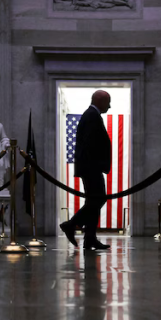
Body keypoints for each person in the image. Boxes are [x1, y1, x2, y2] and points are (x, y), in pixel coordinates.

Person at [60, 90, 112, 251]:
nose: (109, 106)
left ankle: (90, 238)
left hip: (91, 167)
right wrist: (97, 165)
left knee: (94, 201)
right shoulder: (91, 116)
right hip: (91, 168)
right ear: (100, 101)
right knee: (98, 199)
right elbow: (90, 144)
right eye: (107, 102)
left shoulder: (91, 115)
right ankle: (71, 224)